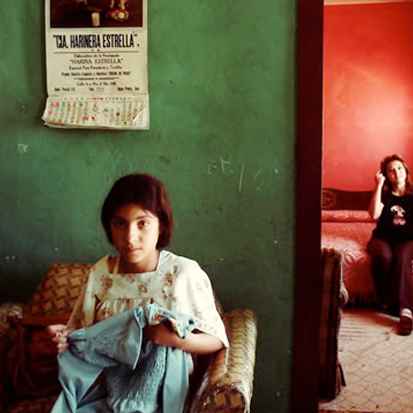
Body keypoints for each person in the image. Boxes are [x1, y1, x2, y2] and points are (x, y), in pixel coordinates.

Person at [47, 173, 228, 411]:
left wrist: (174, 339)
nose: (130, 237)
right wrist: (64, 338)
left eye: (143, 223)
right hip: (107, 392)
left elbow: (216, 339)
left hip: (162, 396)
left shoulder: (181, 273)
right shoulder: (102, 274)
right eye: (120, 224)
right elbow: (86, 336)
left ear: (161, 224)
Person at [367, 154, 413, 336]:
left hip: (408, 240)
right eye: (391, 170)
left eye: (400, 168)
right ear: (386, 175)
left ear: (406, 171)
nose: (396, 173)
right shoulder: (383, 194)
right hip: (382, 239)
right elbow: (373, 214)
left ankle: (405, 309)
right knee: (383, 257)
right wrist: (378, 186)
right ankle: (386, 300)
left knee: (402, 258)